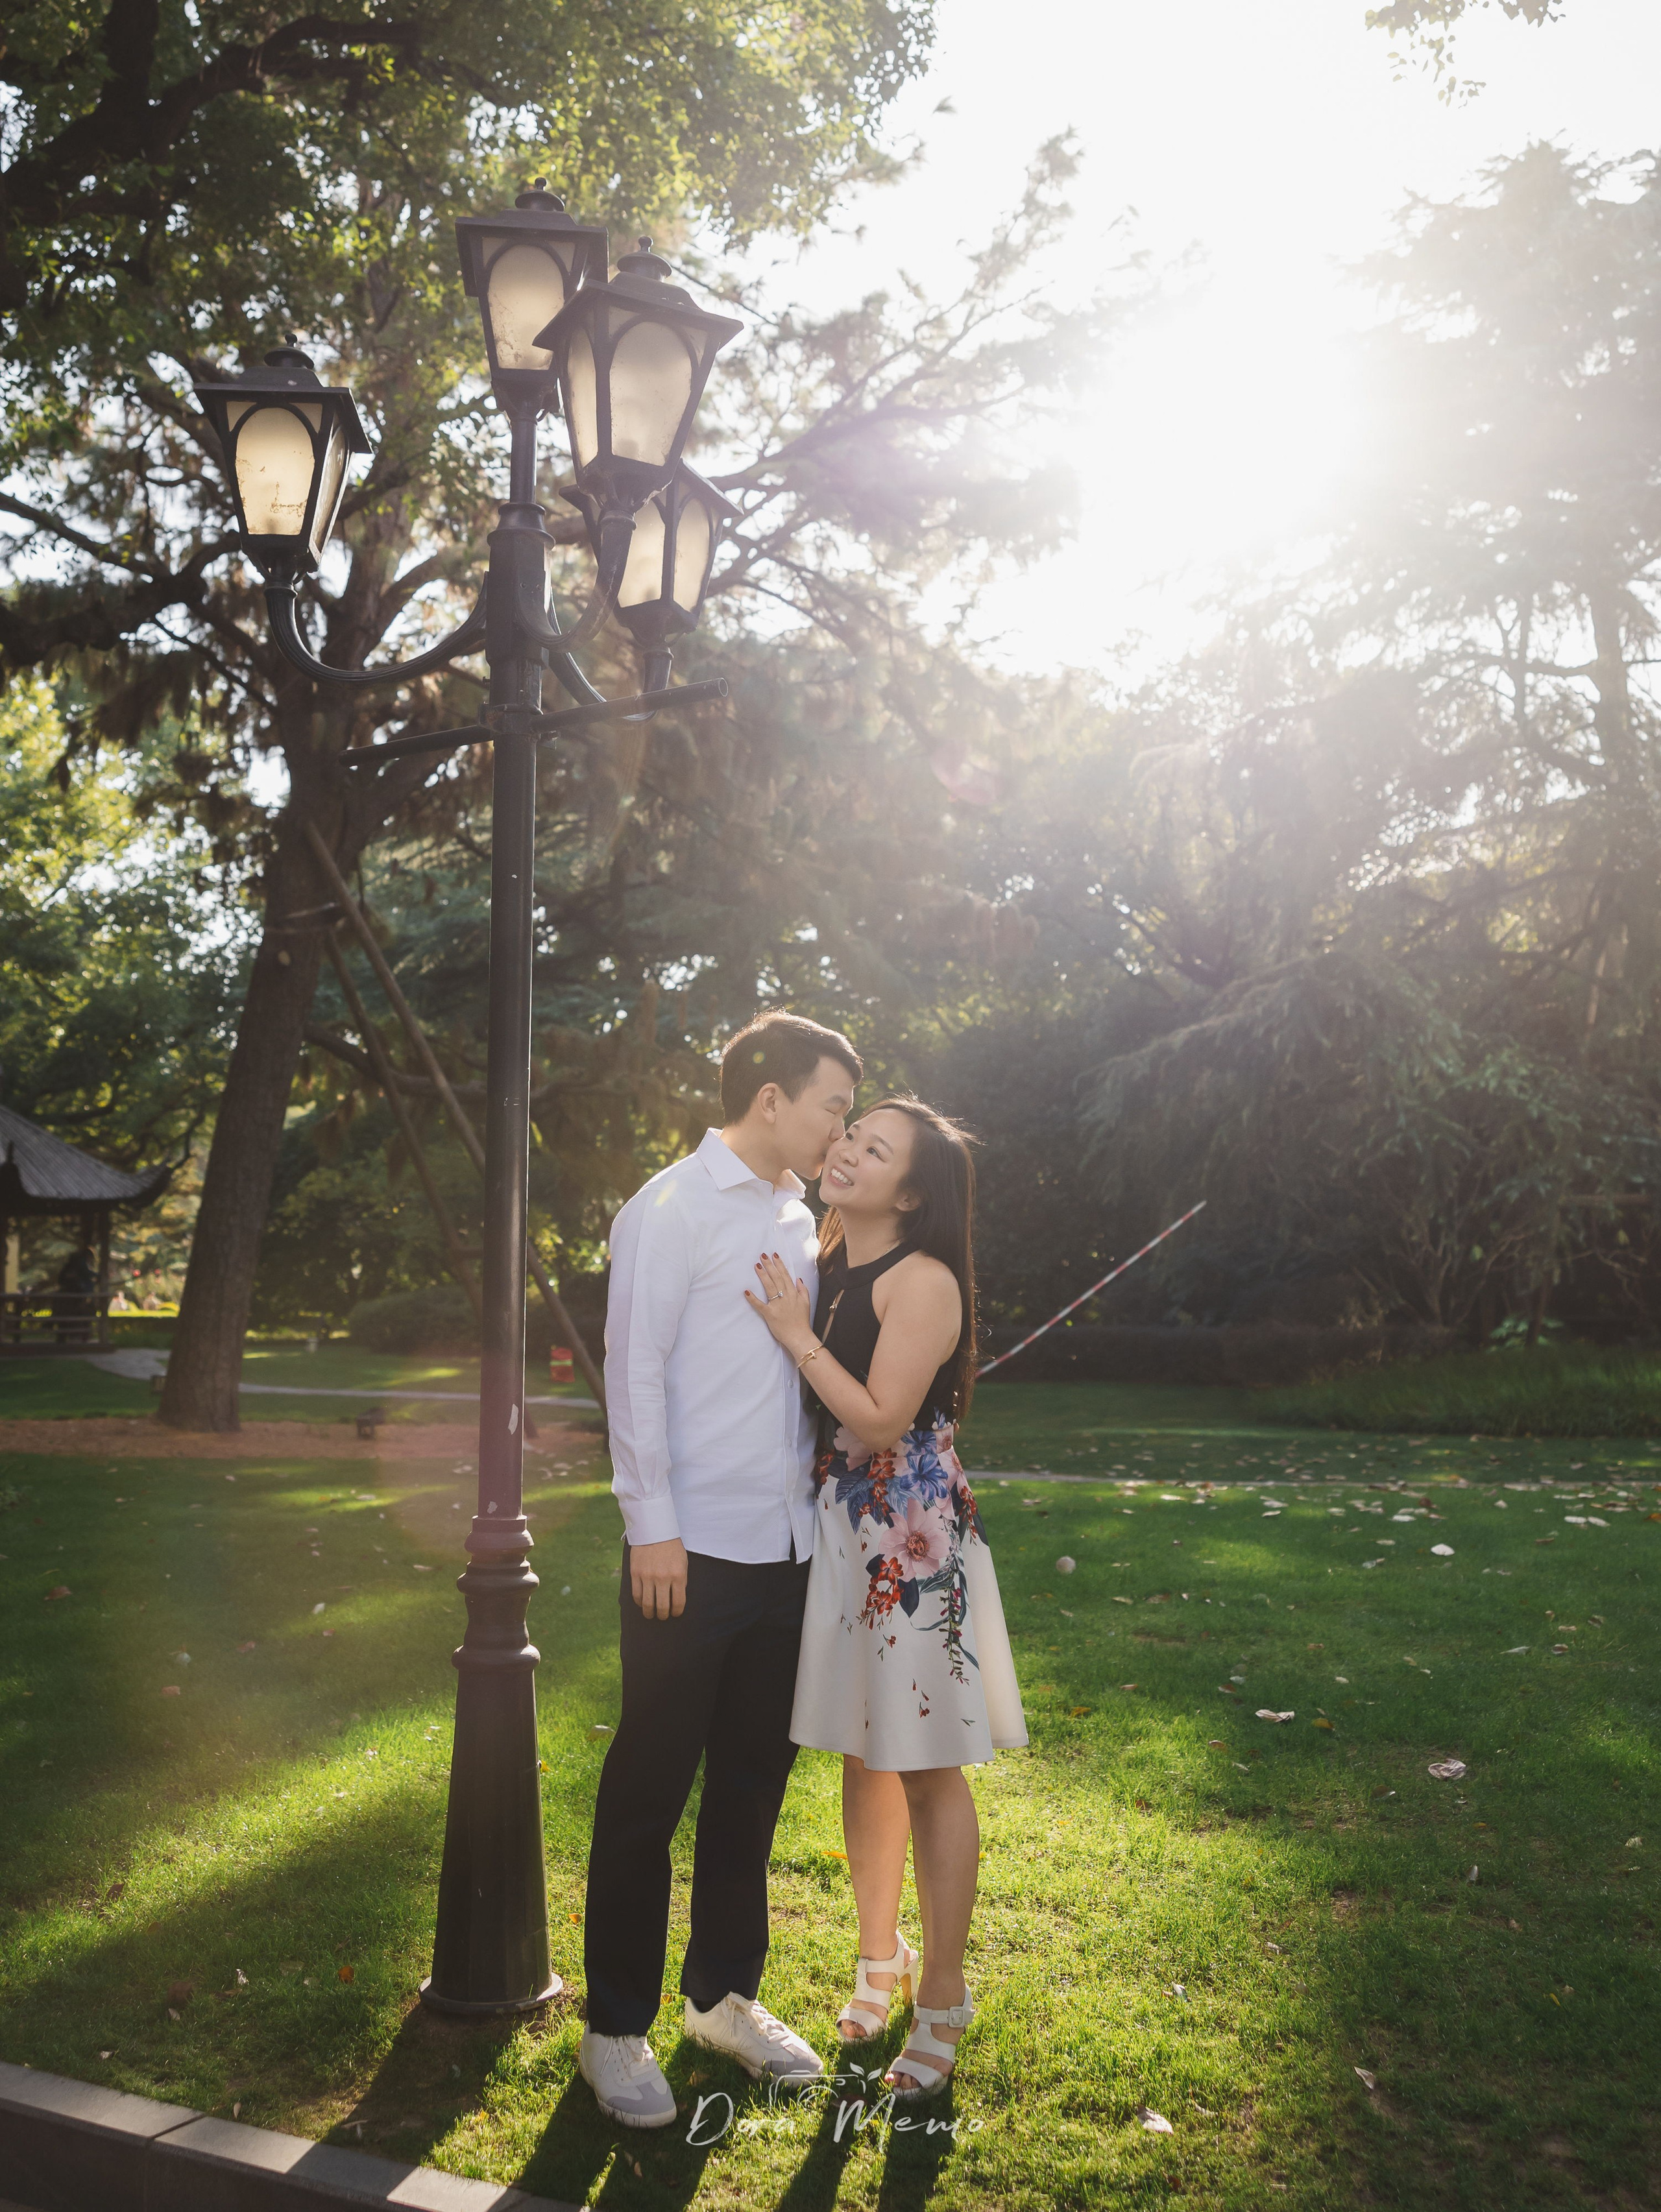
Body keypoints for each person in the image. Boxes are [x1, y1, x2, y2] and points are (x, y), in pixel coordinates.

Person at [578, 1009, 863, 2130]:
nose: (843, 1126)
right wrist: (651, 1522)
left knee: (751, 1787)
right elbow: (632, 1369)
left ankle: (722, 1997)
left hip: (787, 1556)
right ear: (771, 1100)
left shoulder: (805, 1220)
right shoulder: (670, 1206)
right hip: (683, 1557)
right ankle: (614, 2028)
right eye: (835, 1103)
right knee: (647, 1791)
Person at [747, 1096, 1026, 2099]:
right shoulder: (828, 1256)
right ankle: (879, 1960)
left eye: (876, 1149)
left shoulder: (926, 1279)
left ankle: (941, 1997)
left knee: (928, 1768)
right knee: (864, 1753)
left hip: (907, 1537)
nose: (849, 1151)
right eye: (850, 1134)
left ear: (912, 1191)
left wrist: (791, 1335)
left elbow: (875, 1420)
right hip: (839, 1526)